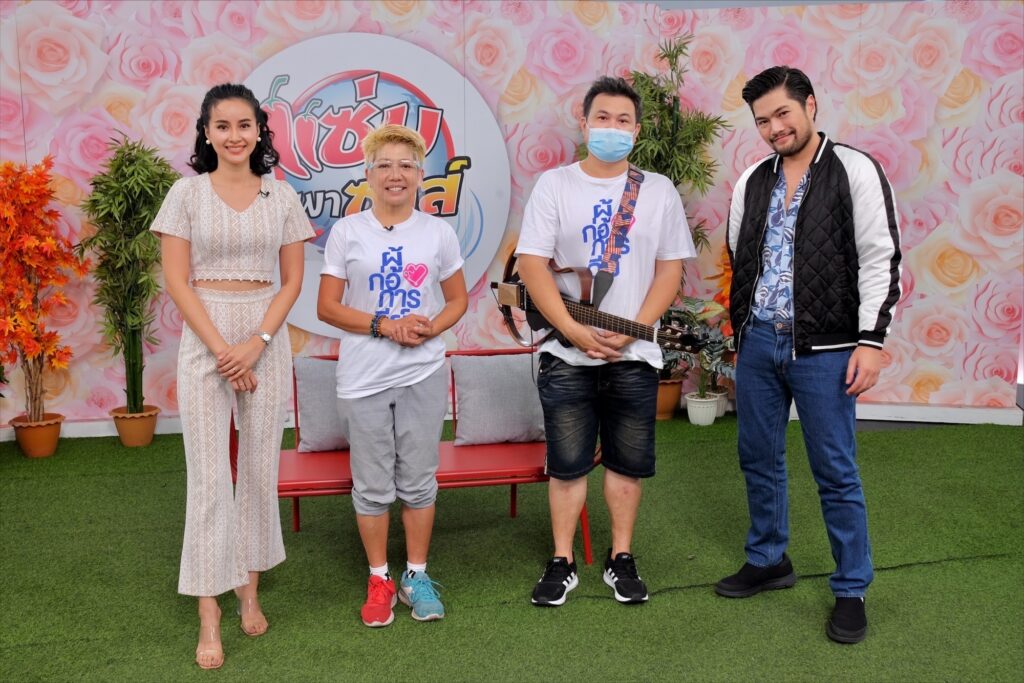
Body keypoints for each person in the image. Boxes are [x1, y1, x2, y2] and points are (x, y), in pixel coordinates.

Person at [716, 66, 901, 644]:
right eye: (762, 121)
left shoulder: (854, 169)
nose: (775, 128)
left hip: (827, 347)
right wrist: (741, 331)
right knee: (757, 456)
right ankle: (769, 559)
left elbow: (880, 257)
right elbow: (740, 256)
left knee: (835, 471)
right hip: (758, 342)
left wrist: (871, 342)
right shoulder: (752, 180)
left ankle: (851, 588)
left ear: (810, 105)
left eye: (783, 114)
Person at [515, 76, 695, 606]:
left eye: (622, 121)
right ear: (584, 121)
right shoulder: (555, 184)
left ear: (636, 131)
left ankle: (621, 557)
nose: (611, 128)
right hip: (564, 353)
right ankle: (562, 560)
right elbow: (531, 265)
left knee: (627, 462)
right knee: (567, 463)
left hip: (634, 355)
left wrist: (633, 327)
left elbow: (669, 269)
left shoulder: (657, 190)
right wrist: (572, 330)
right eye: (602, 118)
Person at [152, 83, 313, 669]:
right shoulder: (186, 194)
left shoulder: (281, 195)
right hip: (207, 336)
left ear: (260, 130)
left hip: (264, 334)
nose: (234, 136)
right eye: (222, 126)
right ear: (206, 132)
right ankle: (209, 611)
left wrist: (257, 344)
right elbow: (177, 280)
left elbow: (292, 281)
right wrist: (225, 350)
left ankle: (248, 586)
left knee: (259, 470)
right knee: (208, 476)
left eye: (244, 125)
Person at [317, 124, 468, 628]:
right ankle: (379, 577)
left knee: (420, 480)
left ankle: (416, 575)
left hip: (422, 373)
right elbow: (327, 307)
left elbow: (457, 300)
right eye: (384, 165)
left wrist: (429, 330)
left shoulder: (438, 233)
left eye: (406, 165)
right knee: (372, 485)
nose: (395, 174)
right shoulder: (347, 232)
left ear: (421, 174)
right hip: (363, 377)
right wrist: (386, 325)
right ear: (368, 173)